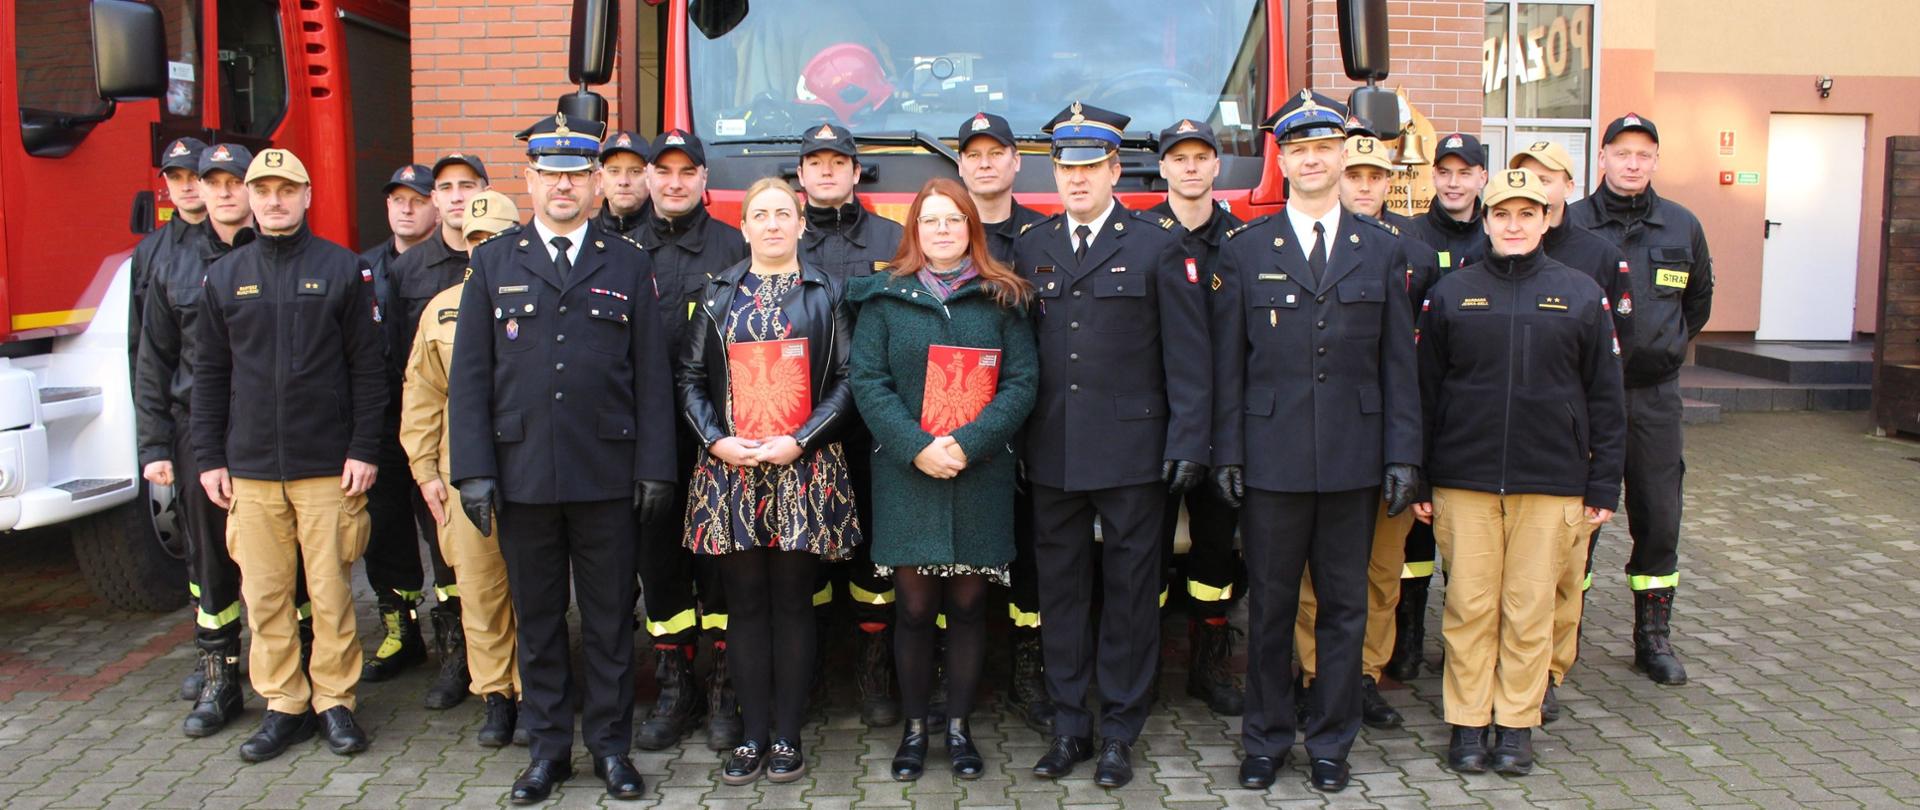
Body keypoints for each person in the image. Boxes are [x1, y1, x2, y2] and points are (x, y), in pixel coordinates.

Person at [448, 114, 676, 804]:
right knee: (541, 623)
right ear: (530, 181)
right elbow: (470, 380)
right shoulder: (492, 263)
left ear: (596, 182)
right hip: (522, 478)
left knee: (608, 624)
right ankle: (547, 752)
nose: (564, 188)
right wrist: (474, 470)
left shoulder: (629, 262)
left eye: (577, 175)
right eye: (550, 175)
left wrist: (656, 467)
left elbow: (651, 378)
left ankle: (611, 749)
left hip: (607, 474)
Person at [1209, 91, 1421, 794]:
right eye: (1298, 150)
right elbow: (1227, 366)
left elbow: (1400, 366)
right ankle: (1266, 740)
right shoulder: (1246, 251)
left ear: (1343, 155)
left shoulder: (1383, 250)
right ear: (1284, 159)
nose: (1311, 160)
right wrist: (1229, 452)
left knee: (1345, 608)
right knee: (1268, 608)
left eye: (1323, 148)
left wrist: (1402, 455)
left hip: (1356, 460)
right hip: (1271, 459)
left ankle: (1331, 741)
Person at [1017, 102, 1208, 790]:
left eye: (1088, 169)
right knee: (1061, 593)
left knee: (1131, 594)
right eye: (1064, 169)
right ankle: (1070, 724)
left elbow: (1189, 358)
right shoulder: (1033, 247)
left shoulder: (1157, 245)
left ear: (1112, 170)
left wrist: (1189, 439)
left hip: (1134, 452)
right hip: (1054, 448)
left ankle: (1122, 729)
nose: (1075, 181)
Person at [1412, 168, 1625, 775]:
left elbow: (1607, 397)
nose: (1513, 224)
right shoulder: (1452, 292)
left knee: (1530, 609)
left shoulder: (1583, 293)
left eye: (1527, 213)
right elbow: (1425, 393)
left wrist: (1604, 481)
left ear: (1545, 218)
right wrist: (1423, 477)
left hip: (1553, 480)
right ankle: (1468, 722)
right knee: (1470, 606)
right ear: (1487, 218)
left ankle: (1516, 725)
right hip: (1465, 479)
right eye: (1502, 213)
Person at [192, 148, 383, 762]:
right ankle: (284, 704)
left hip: (327, 466)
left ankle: (335, 702)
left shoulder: (342, 270)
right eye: (263, 190)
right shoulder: (224, 277)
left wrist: (364, 448)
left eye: (286, 190)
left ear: (307, 196)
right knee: (265, 594)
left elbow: (368, 371)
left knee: (330, 593)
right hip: (248, 468)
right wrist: (209, 457)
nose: (274, 201)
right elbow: (209, 375)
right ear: (250, 198)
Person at [848, 178, 1038, 782]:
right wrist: (917, 448)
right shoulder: (884, 299)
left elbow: (1021, 383)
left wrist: (968, 443)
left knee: (968, 606)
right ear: (915, 231)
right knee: (912, 608)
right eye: (930, 221)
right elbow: (868, 382)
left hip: (979, 473)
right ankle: (913, 730)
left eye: (954, 221)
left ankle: (957, 729)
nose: (942, 231)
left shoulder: (1002, 297)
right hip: (908, 475)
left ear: (971, 229)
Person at [679, 177, 861, 785]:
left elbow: (847, 378)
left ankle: (787, 737)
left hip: (803, 469)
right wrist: (717, 440)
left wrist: (800, 440)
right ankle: (751, 736)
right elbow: (688, 380)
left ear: (801, 222)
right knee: (745, 607)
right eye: (761, 214)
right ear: (746, 226)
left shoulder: (827, 292)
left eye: (784, 212)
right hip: (731, 471)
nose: (774, 223)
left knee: (792, 604)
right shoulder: (716, 295)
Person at [1290, 131, 1443, 733]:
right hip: (1322, 440)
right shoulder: (1293, 247)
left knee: (1381, 572)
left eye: (1376, 177)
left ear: (1389, 184)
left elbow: (1415, 363)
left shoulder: (1412, 254)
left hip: (1385, 436)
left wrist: (1409, 451)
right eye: (1354, 174)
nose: (1364, 185)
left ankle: (1364, 676)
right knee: (1314, 575)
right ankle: (1313, 675)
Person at [1565, 113, 1713, 687]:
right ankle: (1563, 633)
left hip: (1653, 396)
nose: (1632, 163)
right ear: (1601, 159)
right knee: (1577, 519)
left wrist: (1661, 348)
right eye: (1621, 152)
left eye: (1643, 155)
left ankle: (1652, 638)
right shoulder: (1572, 223)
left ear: (1655, 161)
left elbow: (1696, 304)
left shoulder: (1682, 226)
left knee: (1658, 516)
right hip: (1584, 398)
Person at [630, 127, 751, 753]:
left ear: (704, 180)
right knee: (661, 567)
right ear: (649, 179)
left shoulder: (735, 249)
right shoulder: (619, 250)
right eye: (664, 172)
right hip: (649, 441)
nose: (674, 183)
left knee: (723, 566)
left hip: (720, 438)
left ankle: (727, 685)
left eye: (687, 172)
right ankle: (676, 685)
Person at [1507, 139, 1632, 716]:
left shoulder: (1597, 255)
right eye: (1524, 176)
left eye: (1547, 177)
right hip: (1511, 443)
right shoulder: (1494, 252)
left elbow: (1609, 363)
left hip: (1568, 443)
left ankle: (1552, 670)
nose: (1537, 186)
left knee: (1565, 575)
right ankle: (1515, 670)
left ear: (1566, 185)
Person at [397, 189, 524, 750]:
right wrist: (424, 469)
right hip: (462, 473)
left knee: (533, 590)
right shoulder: (442, 308)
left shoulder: (537, 297)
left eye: (497, 236)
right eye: (476, 238)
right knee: (478, 590)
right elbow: (421, 394)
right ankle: (496, 694)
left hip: (530, 469)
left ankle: (539, 690)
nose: (485, 246)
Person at [135, 141, 253, 736]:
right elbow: (151, 359)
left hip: (266, 428)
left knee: (285, 558)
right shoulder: (168, 264)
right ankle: (220, 674)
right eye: (213, 182)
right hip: (196, 429)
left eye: (235, 180)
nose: (223, 191)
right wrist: (153, 446)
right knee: (208, 555)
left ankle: (295, 667)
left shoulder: (280, 252)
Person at [363, 153, 490, 699]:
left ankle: (486, 655)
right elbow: (398, 362)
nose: (457, 196)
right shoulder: (406, 271)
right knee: (441, 551)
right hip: (431, 441)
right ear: (435, 202)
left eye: (468, 186)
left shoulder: (507, 255)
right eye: (446, 188)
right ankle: (455, 654)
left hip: (492, 442)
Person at [794, 121, 905, 726]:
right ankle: (807, 667)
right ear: (802, 175)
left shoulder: (894, 238)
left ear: (856, 172)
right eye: (817, 163)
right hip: (801, 429)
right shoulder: (779, 241)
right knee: (805, 548)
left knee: (871, 550)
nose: (828, 171)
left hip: (874, 427)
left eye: (839, 162)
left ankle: (873, 664)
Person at [955, 110, 1051, 734]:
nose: (986, 163)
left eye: (998, 153)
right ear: (960, 166)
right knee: (951, 555)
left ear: (1018, 162)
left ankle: (1028, 666)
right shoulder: (946, 237)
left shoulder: (1043, 240)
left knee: (1032, 554)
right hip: (956, 437)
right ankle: (948, 668)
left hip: (1030, 429)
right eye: (975, 154)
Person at [1148, 118, 1247, 717]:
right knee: (1148, 553)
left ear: (1217, 167)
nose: (1189, 167)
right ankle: (1150, 665)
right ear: (1161, 167)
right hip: (1157, 424)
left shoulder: (1246, 242)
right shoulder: (1141, 237)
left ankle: (1209, 665)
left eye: (1200, 157)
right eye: (1177, 158)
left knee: (1215, 551)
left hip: (1226, 421)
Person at [1388, 131, 1487, 683]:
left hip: (1471, 406)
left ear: (1481, 178)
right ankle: (1407, 639)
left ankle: (1464, 649)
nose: (1452, 182)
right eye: (1443, 172)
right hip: (1423, 398)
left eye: (1463, 172)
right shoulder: (1410, 237)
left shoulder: (1498, 235)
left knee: (1465, 538)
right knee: (1416, 537)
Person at [132, 137, 211, 361]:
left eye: (194, 176)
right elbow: (139, 343)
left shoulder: (236, 240)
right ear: (166, 181)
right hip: (177, 391)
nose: (186, 186)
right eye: (176, 177)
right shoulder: (147, 251)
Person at [595, 130, 652, 236]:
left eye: (635, 171)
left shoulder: (665, 236)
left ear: (650, 177)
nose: (624, 181)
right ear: (600, 179)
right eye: (614, 171)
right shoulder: (585, 236)